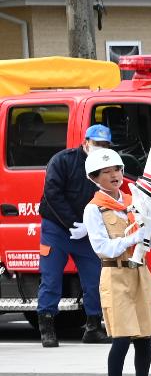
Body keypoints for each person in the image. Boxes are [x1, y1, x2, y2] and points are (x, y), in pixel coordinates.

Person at [81, 148, 151, 376]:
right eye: (107, 172)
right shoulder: (94, 209)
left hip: (140, 272)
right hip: (114, 274)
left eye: (117, 169)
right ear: (94, 177)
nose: (115, 175)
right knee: (122, 337)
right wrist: (133, 238)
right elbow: (102, 247)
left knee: (144, 337)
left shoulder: (135, 200)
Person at [36, 120, 115, 347]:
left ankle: (93, 327)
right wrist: (73, 223)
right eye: (97, 143)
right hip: (56, 230)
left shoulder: (106, 168)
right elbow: (52, 194)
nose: (101, 147)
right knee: (51, 279)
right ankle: (47, 328)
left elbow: (109, 196)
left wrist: (89, 227)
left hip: (86, 232)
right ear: (86, 142)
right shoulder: (63, 160)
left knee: (95, 280)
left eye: (106, 144)